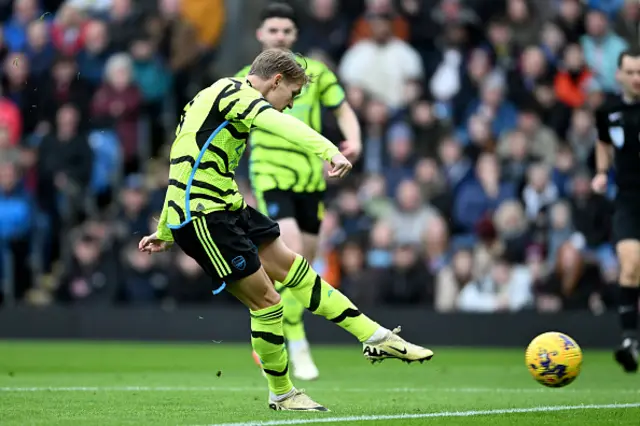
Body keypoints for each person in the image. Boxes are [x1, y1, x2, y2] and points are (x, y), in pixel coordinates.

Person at [139, 48, 433, 412]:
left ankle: (376, 336)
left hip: (226, 207)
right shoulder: (236, 95)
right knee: (268, 302)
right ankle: (282, 393)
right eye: (292, 94)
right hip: (204, 218)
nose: (291, 104)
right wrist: (328, 150)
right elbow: (280, 126)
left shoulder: (214, 95)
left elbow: (182, 158)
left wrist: (165, 229)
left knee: (297, 271)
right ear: (276, 81)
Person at [235, 3, 362, 381]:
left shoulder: (317, 72)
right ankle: (298, 343)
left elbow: (342, 109)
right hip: (271, 174)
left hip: (312, 178)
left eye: (287, 32)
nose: (280, 37)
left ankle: (271, 323)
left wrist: (352, 140)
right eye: (273, 31)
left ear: (295, 36)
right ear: (261, 35)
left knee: (302, 264)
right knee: (288, 249)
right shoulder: (246, 79)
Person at [592, 47, 640, 373]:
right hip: (628, 199)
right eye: (632, 72)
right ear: (619, 75)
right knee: (630, 264)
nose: (637, 79)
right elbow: (603, 143)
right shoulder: (608, 111)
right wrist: (600, 172)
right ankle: (629, 340)